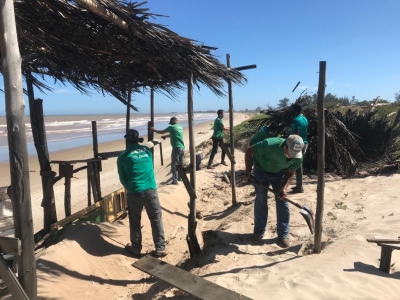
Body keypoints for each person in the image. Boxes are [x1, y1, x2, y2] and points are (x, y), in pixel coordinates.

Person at [243, 135, 304, 248]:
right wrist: (247, 172)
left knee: (283, 201)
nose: (292, 156)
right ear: (285, 146)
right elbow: (249, 152)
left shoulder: (298, 157)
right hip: (261, 171)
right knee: (261, 199)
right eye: (290, 152)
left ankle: (283, 234)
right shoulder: (268, 145)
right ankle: (259, 232)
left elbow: (290, 172)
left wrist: (284, 188)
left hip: (280, 174)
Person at [117, 129, 167, 257]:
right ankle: (160, 247)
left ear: (127, 140)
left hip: (135, 192)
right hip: (151, 190)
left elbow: (123, 179)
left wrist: (132, 187)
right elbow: (150, 167)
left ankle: (136, 247)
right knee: (156, 219)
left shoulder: (123, 156)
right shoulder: (147, 151)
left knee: (135, 221)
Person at [151, 117, 185, 185]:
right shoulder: (180, 127)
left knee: (174, 165)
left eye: (171, 122)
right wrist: (166, 136)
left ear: (173, 121)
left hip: (176, 147)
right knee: (180, 164)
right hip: (182, 148)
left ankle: (175, 181)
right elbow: (173, 134)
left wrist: (154, 130)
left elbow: (162, 132)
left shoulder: (171, 127)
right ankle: (179, 178)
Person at [290, 104, 309, 193]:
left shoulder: (296, 120)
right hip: (305, 142)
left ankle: (299, 187)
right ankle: (298, 185)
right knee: (298, 164)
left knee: (297, 165)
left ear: (295, 110)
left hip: (298, 143)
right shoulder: (305, 119)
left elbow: (297, 133)